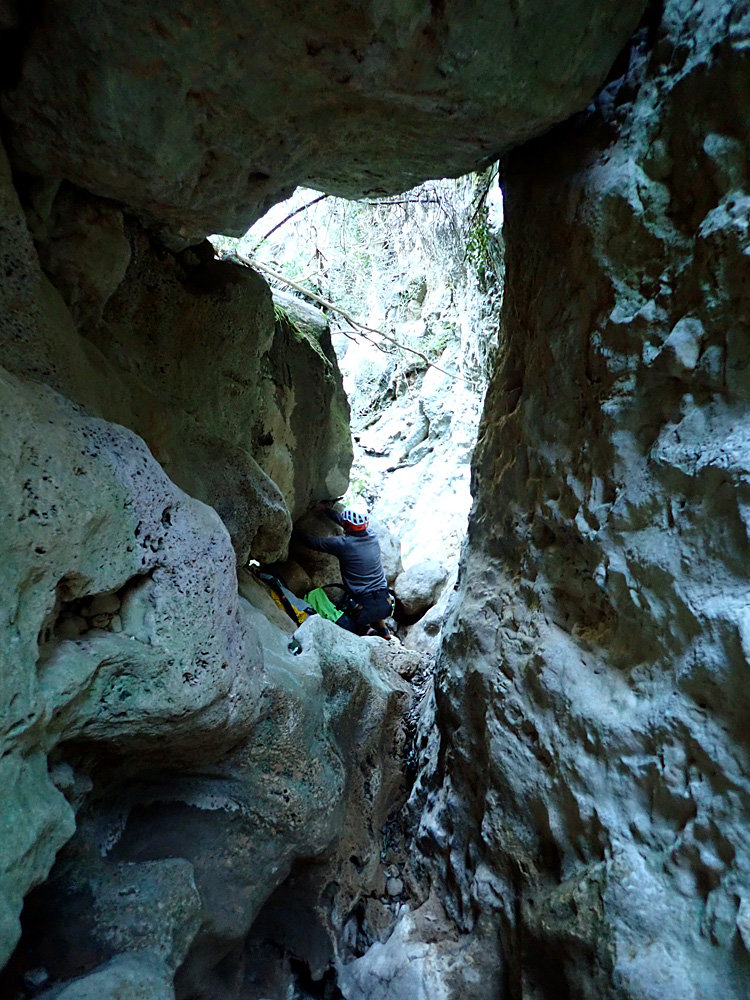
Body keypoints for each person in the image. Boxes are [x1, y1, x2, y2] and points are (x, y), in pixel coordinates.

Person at [293, 505, 393, 638]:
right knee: (373, 602)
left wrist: (292, 528)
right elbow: (348, 524)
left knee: (350, 608)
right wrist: (327, 510)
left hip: (363, 607)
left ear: (348, 526)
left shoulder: (343, 544)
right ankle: (383, 630)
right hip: (386, 602)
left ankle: (364, 629)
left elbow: (313, 542)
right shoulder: (372, 535)